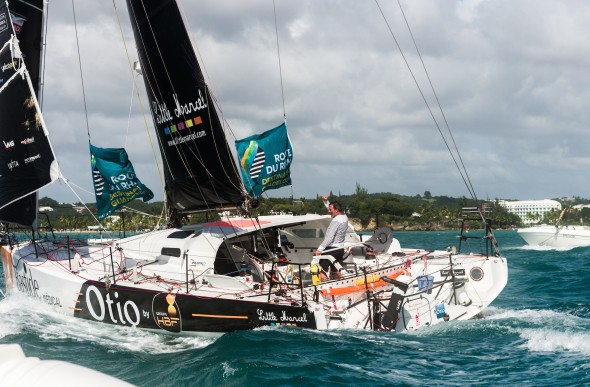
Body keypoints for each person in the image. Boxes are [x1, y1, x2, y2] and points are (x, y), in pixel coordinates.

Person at [315, 195, 348, 280]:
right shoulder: (344, 217)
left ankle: (326, 287)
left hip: (332, 250)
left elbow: (329, 237)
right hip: (340, 249)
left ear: (336, 210)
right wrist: (326, 202)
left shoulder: (336, 220)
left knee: (321, 271)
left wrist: (320, 249)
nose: (329, 211)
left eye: (330, 210)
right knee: (336, 270)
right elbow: (332, 209)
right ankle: (345, 284)